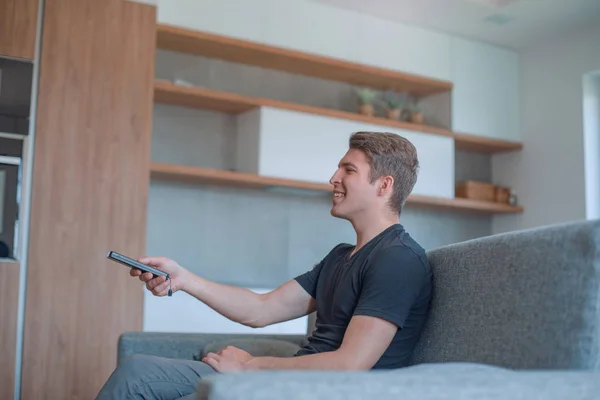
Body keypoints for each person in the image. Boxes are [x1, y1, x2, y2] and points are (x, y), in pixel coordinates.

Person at [96, 131, 432, 399]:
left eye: (349, 170)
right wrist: (183, 279)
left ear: (384, 185)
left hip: (323, 391)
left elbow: (351, 363)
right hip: (288, 382)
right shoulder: (340, 256)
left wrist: (250, 367)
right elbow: (261, 309)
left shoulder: (397, 259)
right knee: (137, 371)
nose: (333, 178)